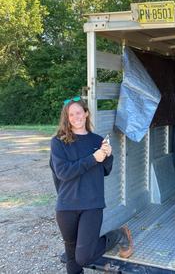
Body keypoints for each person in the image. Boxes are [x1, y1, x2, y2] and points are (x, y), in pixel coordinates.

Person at [49, 96, 133, 274]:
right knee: (72, 256)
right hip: (66, 206)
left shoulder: (97, 141)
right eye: (71, 114)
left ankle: (119, 235)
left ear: (86, 114)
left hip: (91, 204)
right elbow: (63, 173)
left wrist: (108, 155)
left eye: (79, 112)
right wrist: (93, 158)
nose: (76, 117)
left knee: (84, 256)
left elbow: (105, 170)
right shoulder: (58, 142)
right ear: (67, 117)